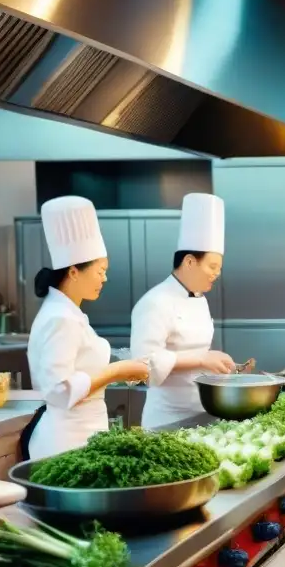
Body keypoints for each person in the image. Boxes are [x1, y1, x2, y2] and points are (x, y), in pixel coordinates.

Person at [22, 196, 148, 460]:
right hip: (65, 443)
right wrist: (117, 371)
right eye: (100, 271)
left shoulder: (69, 313)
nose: (105, 278)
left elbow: (80, 369)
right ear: (74, 272)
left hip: (84, 437)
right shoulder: (60, 318)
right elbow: (59, 390)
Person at [130, 193, 235, 429]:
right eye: (212, 266)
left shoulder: (200, 299)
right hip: (167, 420)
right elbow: (143, 363)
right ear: (189, 261)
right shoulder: (155, 302)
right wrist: (201, 359)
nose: (216, 273)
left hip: (203, 413)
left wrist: (213, 363)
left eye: (219, 267)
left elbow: (196, 352)